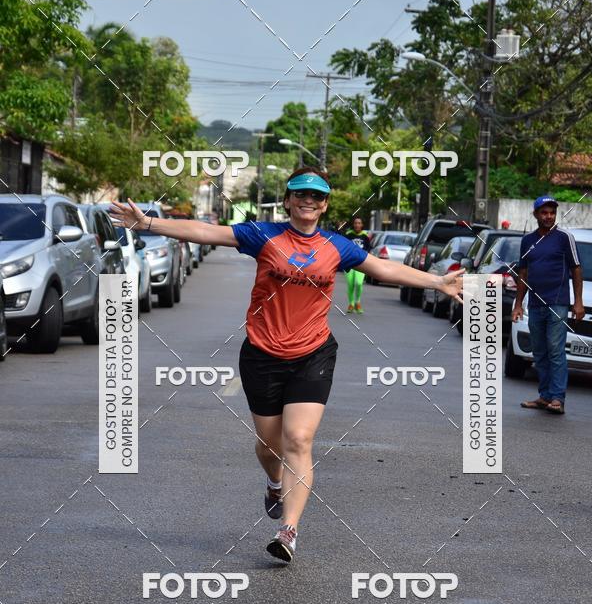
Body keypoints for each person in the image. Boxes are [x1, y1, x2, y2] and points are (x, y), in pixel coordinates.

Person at [109, 167, 463, 564]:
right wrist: (149, 222)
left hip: (313, 354)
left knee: (298, 440)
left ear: (325, 204)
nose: (308, 201)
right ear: (289, 200)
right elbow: (208, 232)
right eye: (301, 194)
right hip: (262, 354)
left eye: (317, 196)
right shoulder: (263, 235)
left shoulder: (337, 246)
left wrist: (438, 283)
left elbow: (384, 269)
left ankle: (288, 531)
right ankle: (274, 483)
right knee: (268, 446)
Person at [512, 196, 584, 415]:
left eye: (552, 212)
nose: (549, 216)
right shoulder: (527, 241)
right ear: (535, 214)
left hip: (558, 303)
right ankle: (544, 396)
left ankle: (557, 398)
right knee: (540, 351)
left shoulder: (564, 238)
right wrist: (518, 305)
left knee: (555, 349)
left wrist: (578, 302)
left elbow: (576, 269)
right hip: (535, 304)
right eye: (544, 212)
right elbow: (523, 273)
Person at [343, 216, 371, 313]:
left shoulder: (365, 236)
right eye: (355, 223)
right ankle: (351, 304)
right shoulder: (348, 235)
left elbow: (368, 250)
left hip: (361, 263)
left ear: (362, 225)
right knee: (350, 284)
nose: (357, 225)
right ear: (353, 224)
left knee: (359, 283)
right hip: (349, 263)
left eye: (359, 223)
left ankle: (357, 302)